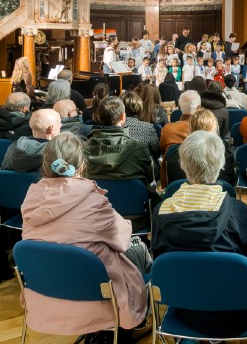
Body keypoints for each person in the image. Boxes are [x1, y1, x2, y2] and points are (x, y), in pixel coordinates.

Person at [20, 133, 150, 340]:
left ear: (45, 166)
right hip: (97, 299)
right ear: (82, 165)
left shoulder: (31, 198)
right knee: (138, 250)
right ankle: (136, 321)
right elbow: (122, 239)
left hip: (47, 295)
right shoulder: (94, 201)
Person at [151, 131, 247, 338]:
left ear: (183, 165)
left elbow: (158, 258)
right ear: (221, 165)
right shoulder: (239, 212)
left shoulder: (161, 212)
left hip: (185, 310)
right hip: (238, 313)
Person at [82, 97, 155, 189]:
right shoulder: (138, 148)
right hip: (130, 200)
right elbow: (150, 177)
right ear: (123, 117)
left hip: (95, 201)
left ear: (98, 117)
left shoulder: (83, 149)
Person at [122, 91, 159, 160]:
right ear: (139, 106)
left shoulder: (116, 127)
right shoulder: (148, 127)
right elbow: (156, 152)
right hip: (142, 167)